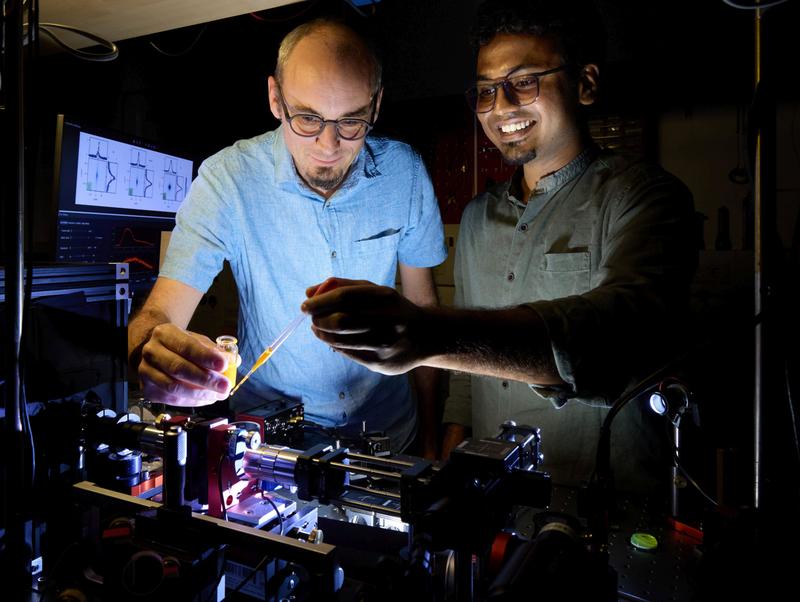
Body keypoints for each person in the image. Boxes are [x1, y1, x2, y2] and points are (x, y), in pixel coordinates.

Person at [301, 0, 697, 490]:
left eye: (524, 81)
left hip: (606, 503)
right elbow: (467, 382)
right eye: (486, 90)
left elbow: (619, 338)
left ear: (586, 83)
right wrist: (449, 453)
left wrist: (428, 336)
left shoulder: (644, 198)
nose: (501, 105)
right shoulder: (477, 219)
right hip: (495, 498)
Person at [128, 18, 447, 456]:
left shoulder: (405, 174)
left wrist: (431, 443)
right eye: (308, 118)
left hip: (390, 433)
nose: (328, 145)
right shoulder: (228, 180)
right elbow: (158, 314)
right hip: (273, 440)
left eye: (351, 121)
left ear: (375, 105)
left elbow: (424, 312)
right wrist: (152, 353)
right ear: (276, 98)